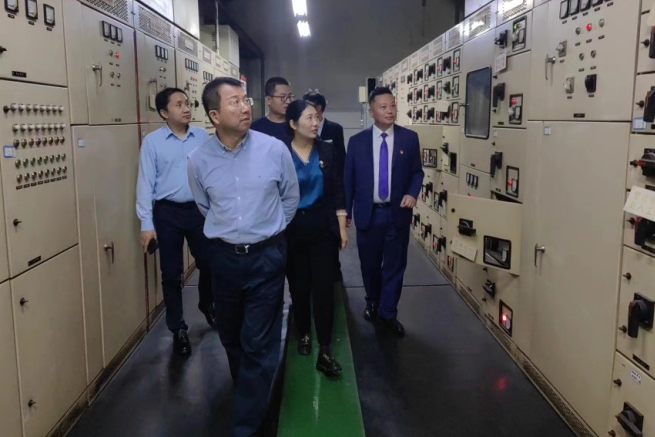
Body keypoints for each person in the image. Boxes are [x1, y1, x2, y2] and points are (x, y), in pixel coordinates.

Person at [187, 77, 299, 437]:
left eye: (246, 99)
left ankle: (246, 426)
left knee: (259, 343)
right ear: (215, 116)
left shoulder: (274, 150)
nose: (245, 107)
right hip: (223, 259)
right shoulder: (198, 159)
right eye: (234, 102)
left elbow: (290, 198)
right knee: (231, 337)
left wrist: (267, 231)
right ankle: (253, 393)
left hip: (267, 257)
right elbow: (205, 205)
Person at [136, 87, 216, 356]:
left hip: (198, 211)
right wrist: (146, 224)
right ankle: (178, 328)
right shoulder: (153, 142)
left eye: (187, 103)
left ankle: (207, 303)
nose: (186, 108)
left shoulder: (201, 136)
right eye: (179, 104)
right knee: (171, 274)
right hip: (167, 213)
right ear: (163, 112)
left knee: (209, 263)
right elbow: (145, 184)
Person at [344, 87, 424, 336]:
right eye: (383, 107)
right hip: (368, 214)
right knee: (369, 264)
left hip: (396, 213)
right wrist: (346, 213)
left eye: (392, 106)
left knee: (395, 264)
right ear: (372, 111)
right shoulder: (357, 142)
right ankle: (372, 301)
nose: (390, 111)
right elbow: (349, 180)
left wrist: (412, 193)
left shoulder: (409, 139)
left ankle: (388, 312)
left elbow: (417, 172)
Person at [284, 99, 348, 377]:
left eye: (317, 118)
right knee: (299, 286)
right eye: (309, 118)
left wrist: (342, 227)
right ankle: (304, 333)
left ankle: (324, 346)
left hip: (323, 227)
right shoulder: (280, 153)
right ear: (293, 124)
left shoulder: (327, 150)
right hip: (291, 229)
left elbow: (337, 190)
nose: (315, 123)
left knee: (323, 288)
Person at [302, 90, 347, 283]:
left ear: (320, 108)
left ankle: (334, 277)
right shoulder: (295, 140)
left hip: (329, 197)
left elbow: (341, 161)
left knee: (330, 250)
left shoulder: (334, 129)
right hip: (306, 207)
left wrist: (343, 208)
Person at [251, 76, 294, 143]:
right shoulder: (255, 129)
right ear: (268, 100)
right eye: (282, 97)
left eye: (289, 97)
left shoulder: (295, 125)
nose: (288, 101)